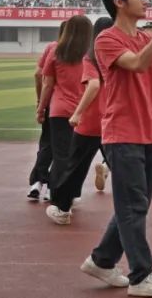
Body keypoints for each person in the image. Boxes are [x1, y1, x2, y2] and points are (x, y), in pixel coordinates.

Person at [81, 0, 152, 297]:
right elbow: (140, 64)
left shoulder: (144, 37)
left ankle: (102, 260)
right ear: (119, 2)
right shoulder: (106, 39)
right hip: (121, 132)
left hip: (149, 132)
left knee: (134, 204)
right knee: (133, 207)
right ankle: (141, 275)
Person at [52, 17, 114, 215]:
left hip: (90, 122)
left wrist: (78, 112)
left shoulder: (91, 57)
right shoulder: (118, 57)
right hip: (112, 120)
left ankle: (63, 209)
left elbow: (94, 85)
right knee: (121, 167)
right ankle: (131, 208)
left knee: (75, 168)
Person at [37, 15, 92, 224]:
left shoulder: (55, 51)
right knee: (78, 156)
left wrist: (41, 108)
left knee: (61, 156)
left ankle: (58, 196)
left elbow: (48, 84)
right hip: (83, 109)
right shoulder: (90, 55)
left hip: (60, 110)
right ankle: (70, 193)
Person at [27, 21, 65, 201]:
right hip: (73, 107)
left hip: (53, 104)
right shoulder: (81, 52)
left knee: (46, 144)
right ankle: (53, 186)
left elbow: (40, 75)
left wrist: (40, 103)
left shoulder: (52, 47)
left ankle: (37, 182)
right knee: (64, 149)